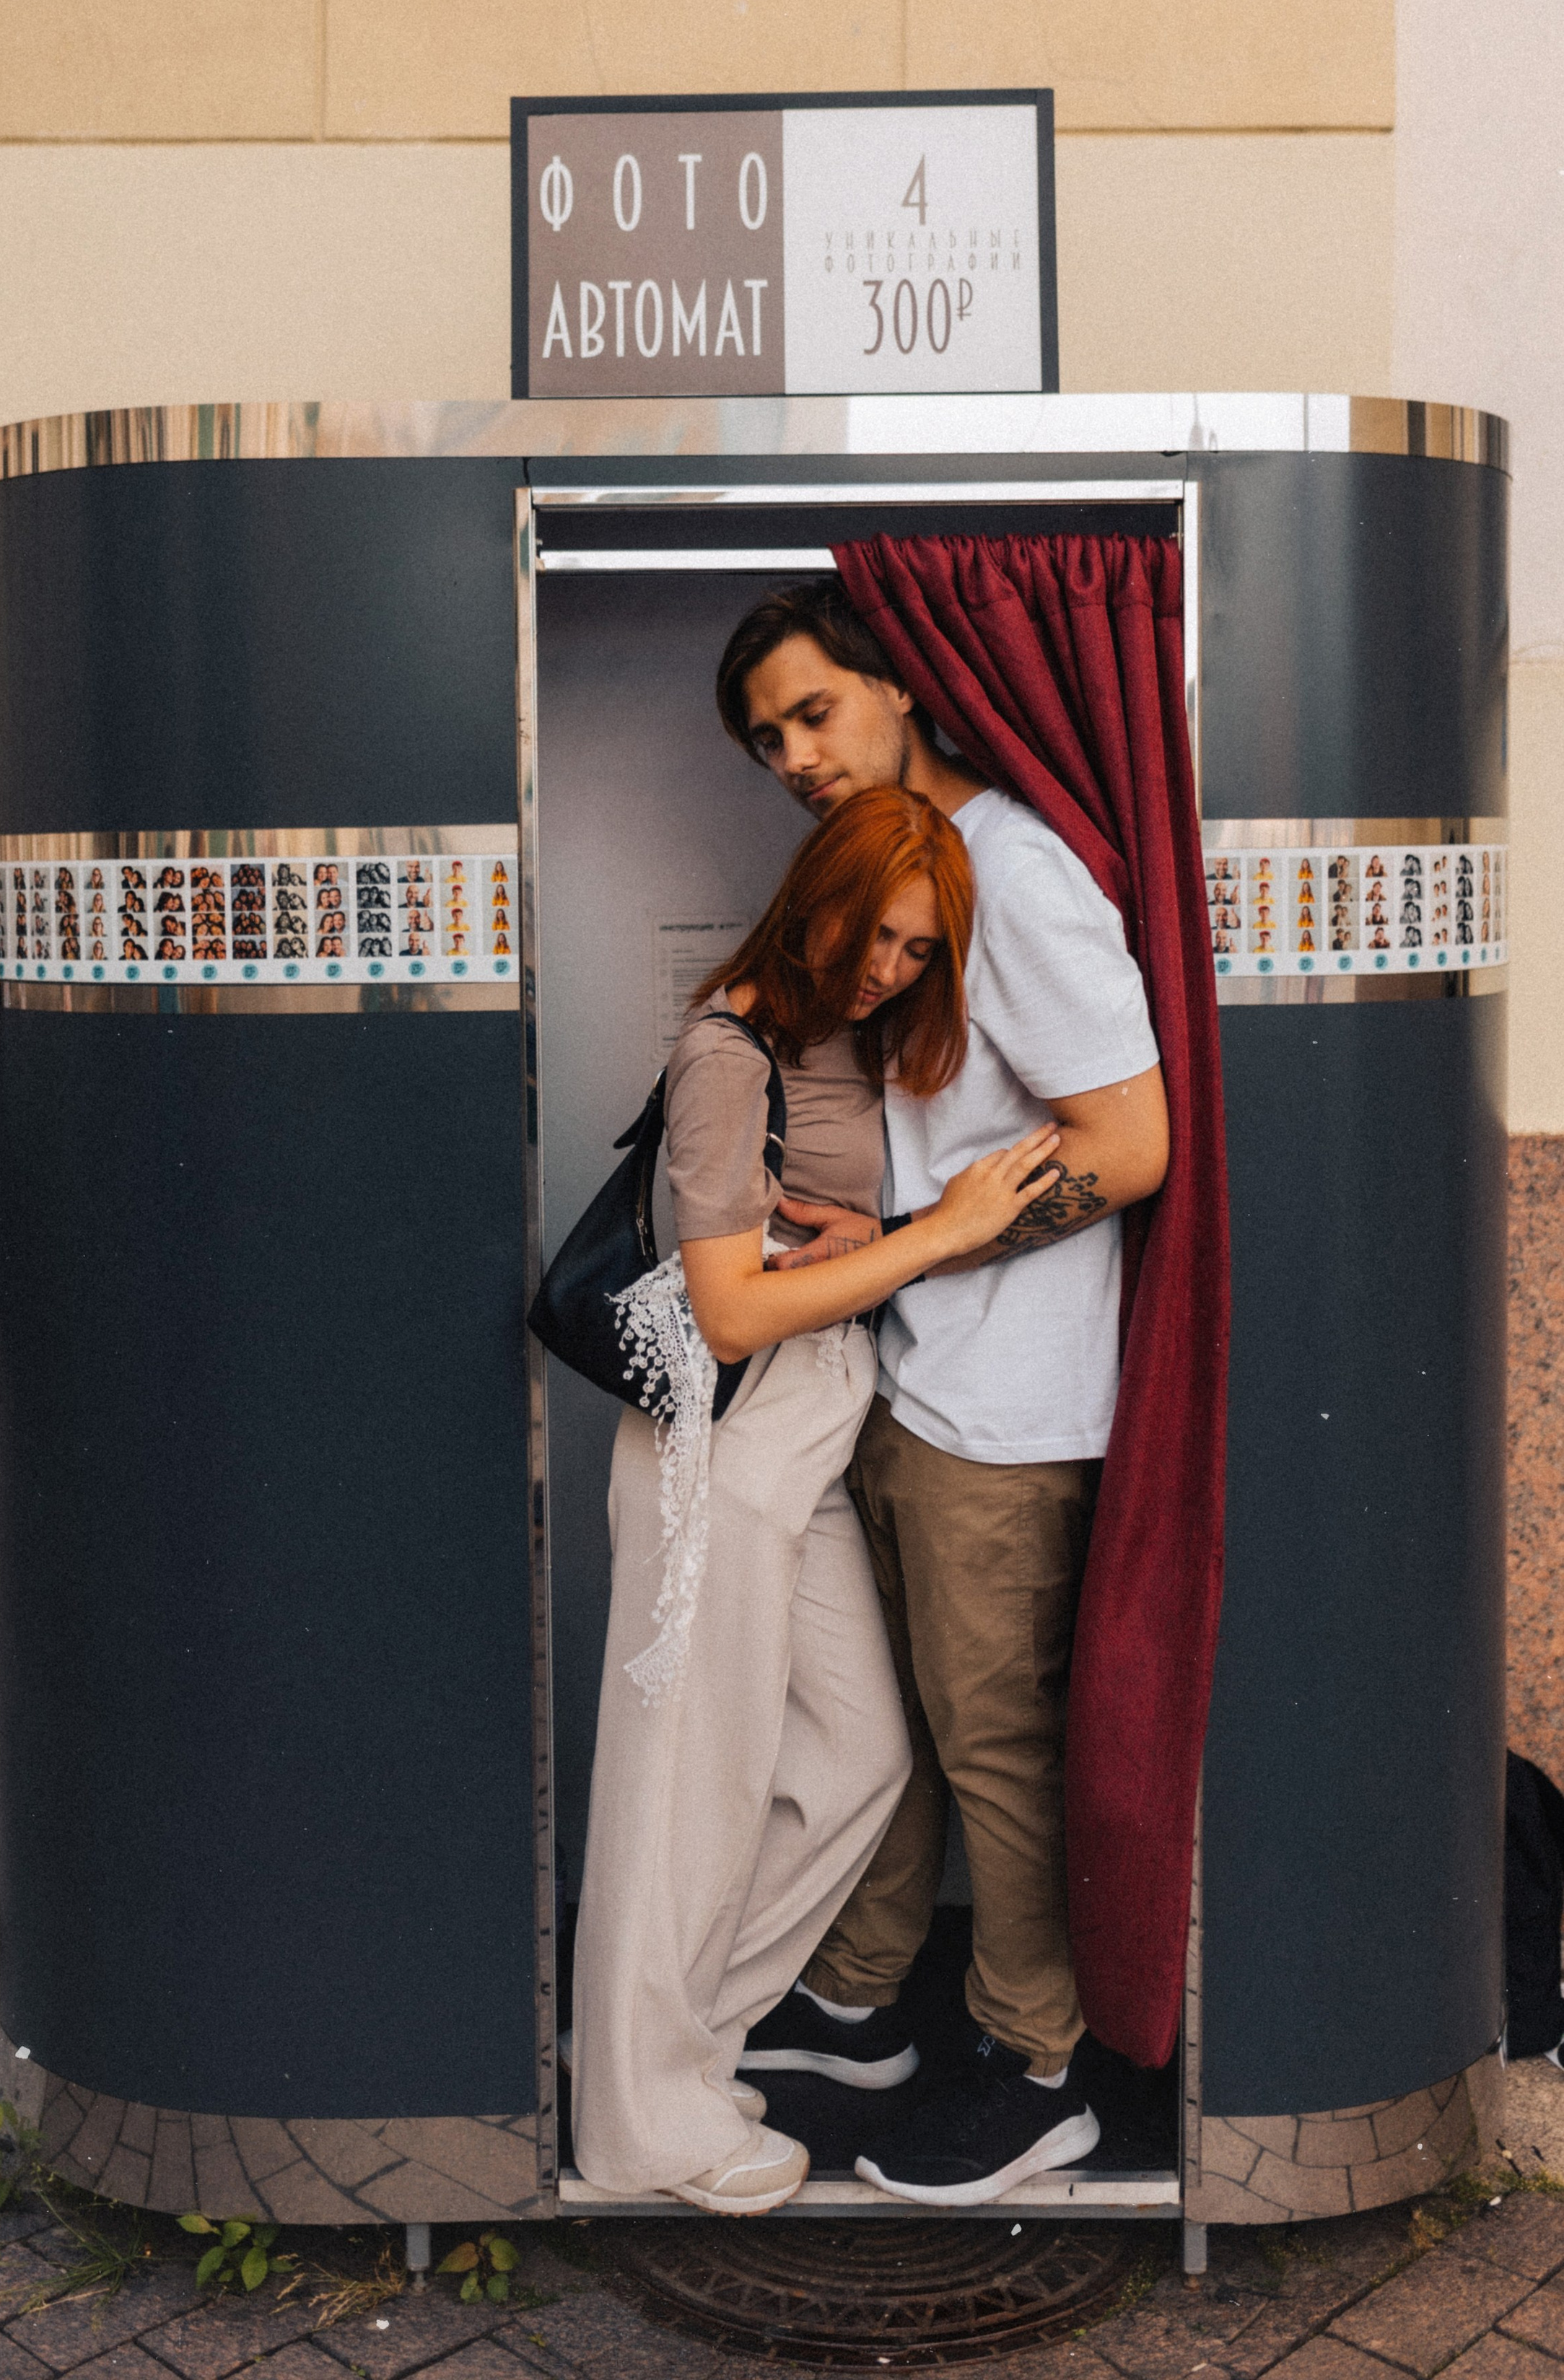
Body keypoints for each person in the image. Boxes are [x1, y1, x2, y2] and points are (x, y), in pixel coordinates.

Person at [715, 579, 1169, 2210]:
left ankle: (1034, 2067)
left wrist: (927, 1243)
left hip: (1012, 1413)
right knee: (883, 1729)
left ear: (898, 684)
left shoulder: (1022, 880)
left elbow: (1127, 1149)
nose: (791, 754)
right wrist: (896, 1238)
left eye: (811, 711)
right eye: (766, 737)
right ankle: (857, 2009)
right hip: (917, 1385)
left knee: (991, 1749)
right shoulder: (907, 865)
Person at [569, 785, 1063, 2215]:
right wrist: (943, 1239)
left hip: (805, 1440)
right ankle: (638, 2118)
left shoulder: (826, 1038)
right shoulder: (729, 1046)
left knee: (854, 1759)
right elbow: (724, 1313)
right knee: (687, 1796)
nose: (889, 969)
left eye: (919, 951)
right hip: (720, 1444)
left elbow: (782, 1247)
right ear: (814, 893)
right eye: (874, 933)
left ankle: (672, 2045)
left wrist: (883, 1233)